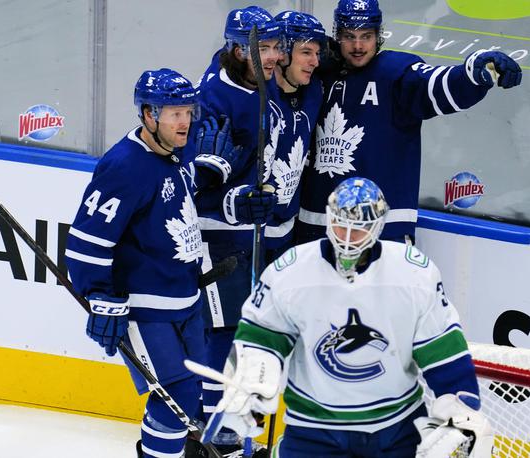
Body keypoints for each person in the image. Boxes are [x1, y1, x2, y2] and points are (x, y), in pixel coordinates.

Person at [205, 177, 494, 457]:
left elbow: (441, 349)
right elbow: (262, 335)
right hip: (313, 428)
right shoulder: (289, 272)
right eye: (340, 225)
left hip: (395, 427)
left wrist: (459, 401)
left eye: (357, 229)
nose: (346, 238)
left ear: (378, 226)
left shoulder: (413, 274)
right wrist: (253, 378)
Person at [65, 68, 240, 458]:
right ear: (148, 114)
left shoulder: (180, 151)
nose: (185, 121)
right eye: (173, 113)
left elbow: (180, 199)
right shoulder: (125, 165)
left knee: (189, 391)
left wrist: (220, 186)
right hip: (146, 309)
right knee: (173, 394)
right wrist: (100, 296)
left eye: (188, 111)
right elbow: (85, 243)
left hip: (186, 300)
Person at [296, 0, 523, 244]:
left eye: (367, 36)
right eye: (349, 36)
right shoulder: (315, 74)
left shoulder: (395, 74)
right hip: (315, 227)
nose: (358, 46)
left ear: (379, 36)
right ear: (337, 36)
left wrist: (473, 71)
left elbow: (438, 84)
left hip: (384, 231)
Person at [190, 6, 281, 453]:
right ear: (234, 48)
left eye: (273, 47)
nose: (272, 57)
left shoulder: (253, 82)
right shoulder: (213, 101)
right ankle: (214, 435)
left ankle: (231, 434)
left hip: (246, 236)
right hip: (216, 240)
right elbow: (191, 193)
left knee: (245, 335)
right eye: (260, 48)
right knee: (223, 335)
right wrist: (232, 197)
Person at [263, 10, 326, 262]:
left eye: (317, 53)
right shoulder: (256, 94)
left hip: (288, 233)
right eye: (306, 52)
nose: (315, 62)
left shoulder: (313, 90)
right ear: (282, 53)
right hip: (247, 235)